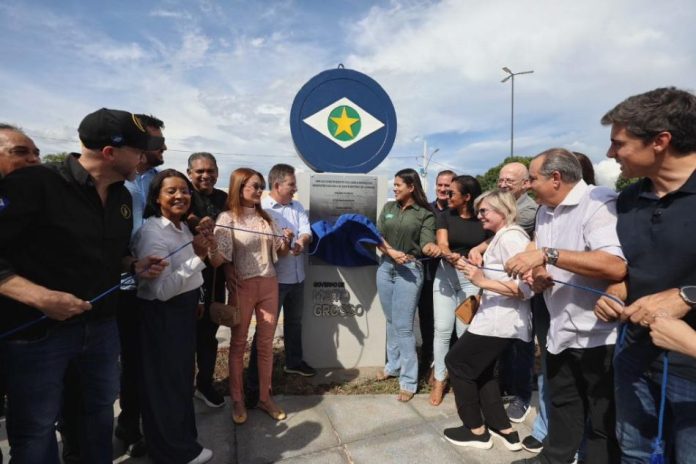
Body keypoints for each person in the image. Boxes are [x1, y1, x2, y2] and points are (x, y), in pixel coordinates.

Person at [0, 108, 165, 463]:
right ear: (110, 152)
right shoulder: (35, 183)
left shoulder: (123, 197)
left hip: (101, 327)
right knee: (36, 429)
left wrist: (133, 264)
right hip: (39, 336)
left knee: (99, 411)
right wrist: (40, 297)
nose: (144, 158)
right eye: (139, 151)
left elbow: (111, 252)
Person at [594, 87, 696, 463]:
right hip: (633, 355)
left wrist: (687, 296)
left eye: (618, 143)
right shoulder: (628, 199)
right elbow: (629, 267)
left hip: (690, 365)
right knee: (635, 454)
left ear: (660, 141)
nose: (610, 154)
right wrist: (614, 290)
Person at [506, 148, 625, 464]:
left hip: (598, 336)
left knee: (601, 420)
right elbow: (539, 254)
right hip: (560, 329)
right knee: (562, 405)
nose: (528, 185)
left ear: (556, 178)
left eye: (532, 178)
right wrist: (538, 273)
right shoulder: (545, 210)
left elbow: (614, 264)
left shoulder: (598, 202)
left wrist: (548, 256)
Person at [133, 169, 215, 464]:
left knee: (180, 380)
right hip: (163, 315)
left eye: (184, 190)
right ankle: (172, 452)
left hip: (183, 311)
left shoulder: (182, 227)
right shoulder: (153, 232)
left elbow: (189, 276)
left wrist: (199, 297)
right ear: (157, 197)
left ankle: (182, 441)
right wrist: (198, 257)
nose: (180, 196)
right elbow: (161, 290)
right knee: (165, 385)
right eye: (171, 191)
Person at [442, 189, 532, 451]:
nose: (479, 215)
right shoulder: (502, 236)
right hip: (494, 318)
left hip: (499, 321)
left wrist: (481, 281)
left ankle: (475, 430)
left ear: (503, 211)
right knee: (481, 370)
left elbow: (526, 289)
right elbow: (501, 275)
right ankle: (503, 428)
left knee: (457, 362)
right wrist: (473, 270)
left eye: (484, 211)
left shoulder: (511, 238)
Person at [213, 168, 291, 425]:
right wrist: (212, 249)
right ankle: (237, 398)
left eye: (261, 186)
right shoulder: (227, 218)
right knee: (238, 344)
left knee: (265, 344)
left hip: (269, 283)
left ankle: (264, 397)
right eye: (255, 186)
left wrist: (286, 241)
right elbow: (219, 259)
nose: (259, 190)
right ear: (239, 187)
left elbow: (282, 251)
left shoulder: (266, 218)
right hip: (242, 286)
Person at [112, 113, 167, 458]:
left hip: (153, 282)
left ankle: (143, 423)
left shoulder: (161, 180)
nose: (164, 148)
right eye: (159, 142)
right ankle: (128, 425)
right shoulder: (120, 184)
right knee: (127, 363)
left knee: (147, 361)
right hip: (121, 287)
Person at [246, 164, 314, 405]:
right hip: (274, 281)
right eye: (291, 185)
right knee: (266, 330)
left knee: (294, 323)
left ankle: (293, 362)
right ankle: (254, 382)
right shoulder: (263, 209)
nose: (295, 189)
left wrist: (301, 241)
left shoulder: (297, 207)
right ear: (277, 185)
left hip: (297, 278)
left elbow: (306, 231)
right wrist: (282, 243)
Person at [375, 168, 438, 402]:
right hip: (385, 268)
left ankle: (409, 381)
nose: (394, 188)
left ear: (411, 187)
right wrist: (391, 252)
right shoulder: (389, 208)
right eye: (394, 184)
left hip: (410, 270)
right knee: (391, 320)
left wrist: (433, 249)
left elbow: (426, 244)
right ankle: (393, 366)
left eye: (398, 185)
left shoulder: (425, 214)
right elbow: (377, 236)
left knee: (403, 326)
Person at [0, 123, 40, 464]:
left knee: (32, 423)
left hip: (26, 332)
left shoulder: (35, 202)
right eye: (20, 152)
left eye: (36, 153)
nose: (33, 160)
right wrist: (42, 298)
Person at [429, 175, 487, 406]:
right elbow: (442, 243)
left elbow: (494, 239)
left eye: (452, 192)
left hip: (470, 281)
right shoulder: (444, 216)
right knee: (442, 330)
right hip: (444, 278)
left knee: (464, 332)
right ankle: (439, 379)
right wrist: (448, 254)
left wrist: (478, 249)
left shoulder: (483, 218)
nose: (447, 195)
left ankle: (462, 379)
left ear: (467, 197)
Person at [495, 162, 538, 424]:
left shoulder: (529, 210)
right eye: (500, 180)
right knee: (504, 340)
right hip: (503, 284)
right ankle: (506, 385)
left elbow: (499, 232)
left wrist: (478, 247)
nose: (503, 185)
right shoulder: (504, 205)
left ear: (526, 184)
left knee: (522, 342)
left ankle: (521, 395)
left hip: (524, 286)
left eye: (509, 181)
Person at [187, 152, 228, 409]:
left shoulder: (224, 199)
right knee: (184, 337)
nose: (206, 175)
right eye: (200, 171)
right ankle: (182, 386)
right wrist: (196, 221)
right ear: (189, 173)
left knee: (208, 335)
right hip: (186, 276)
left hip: (215, 277)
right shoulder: (182, 194)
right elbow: (185, 217)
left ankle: (205, 383)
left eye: (210, 170)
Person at [419, 170, 456, 379]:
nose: (443, 189)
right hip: (429, 274)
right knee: (427, 318)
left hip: (454, 275)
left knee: (452, 322)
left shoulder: (460, 211)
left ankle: (450, 363)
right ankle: (428, 359)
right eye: (439, 185)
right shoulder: (426, 209)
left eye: (447, 185)